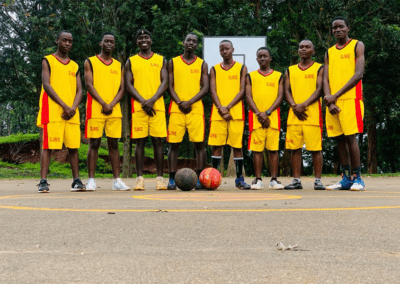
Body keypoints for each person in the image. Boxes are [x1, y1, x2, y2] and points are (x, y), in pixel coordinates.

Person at [36, 30, 85, 193]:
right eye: (64, 40)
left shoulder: (75, 65)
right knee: (48, 146)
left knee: (73, 147)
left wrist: (72, 108)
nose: (67, 43)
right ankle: (43, 181)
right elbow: (47, 85)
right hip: (53, 110)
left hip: (71, 111)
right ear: (57, 41)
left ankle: (76, 181)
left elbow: (80, 90)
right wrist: (65, 106)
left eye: (70, 41)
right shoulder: (48, 60)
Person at [84, 32, 130, 191]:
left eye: (112, 42)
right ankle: (91, 180)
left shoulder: (118, 65)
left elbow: (122, 88)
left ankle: (117, 180)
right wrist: (104, 103)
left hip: (114, 110)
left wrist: (111, 104)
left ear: (114, 45)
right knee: (94, 143)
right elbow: (89, 85)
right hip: (96, 109)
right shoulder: (90, 61)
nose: (109, 44)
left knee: (114, 144)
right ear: (100, 43)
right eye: (106, 41)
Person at [323, 17, 365, 191]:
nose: (338, 30)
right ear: (332, 31)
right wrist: (328, 99)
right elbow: (324, 78)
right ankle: (345, 178)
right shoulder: (329, 51)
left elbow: (359, 74)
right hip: (332, 101)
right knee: (339, 139)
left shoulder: (357, 45)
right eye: (335, 28)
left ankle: (358, 178)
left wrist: (336, 96)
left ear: (348, 28)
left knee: (350, 137)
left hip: (350, 99)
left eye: (341, 26)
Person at [125, 29, 168, 190]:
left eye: (146, 37)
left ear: (151, 40)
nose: (143, 39)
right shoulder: (131, 61)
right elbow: (128, 84)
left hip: (157, 106)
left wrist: (152, 100)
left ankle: (159, 178)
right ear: (137, 42)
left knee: (158, 141)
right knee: (140, 142)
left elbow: (165, 82)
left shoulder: (161, 60)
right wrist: (144, 101)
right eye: (140, 37)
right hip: (139, 106)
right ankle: (139, 178)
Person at [167, 33, 209, 190]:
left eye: (194, 41)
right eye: (189, 40)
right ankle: (171, 179)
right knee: (174, 144)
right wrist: (179, 102)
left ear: (197, 45)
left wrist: (190, 102)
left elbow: (205, 87)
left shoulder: (202, 64)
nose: (191, 43)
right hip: (177, 108)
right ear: (183, 42)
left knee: (199, 144)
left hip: (195, 108)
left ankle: (199, 178)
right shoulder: (173, 62)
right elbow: (169, 85)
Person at [284, 40, 325, 190]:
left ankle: (318, 180)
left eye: (307, 47)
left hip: (312, 114)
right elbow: (286, 91)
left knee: (315, 148)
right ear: (298, 50)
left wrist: (303, 105)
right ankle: (296, 180)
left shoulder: (319, 68)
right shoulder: (290, 70)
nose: (304, 49)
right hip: (294, 114)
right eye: (301, 47)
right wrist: (295, 106)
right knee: (295, 148)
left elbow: (319, 89)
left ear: (313, 50)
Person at [209, 40, 250, 189]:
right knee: (216, 146)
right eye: (222, 49)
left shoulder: (241, 68)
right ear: (219, 52)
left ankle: (239, 179)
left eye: (227, 48)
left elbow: (242, 90)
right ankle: (212, 179)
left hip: (236, 113)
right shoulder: (214, 69)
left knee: (237, 146)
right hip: (218, 113)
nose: (225, 51)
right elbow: (212, 90)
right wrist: (221, 108)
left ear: (232, 49)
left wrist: (228, 107)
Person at [246, 47, 284, 190]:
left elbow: (280, 96)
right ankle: (258, 179)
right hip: (256, 118)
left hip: (273, 118)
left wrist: (267, 112)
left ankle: (274, 179)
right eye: (260, 56)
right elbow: (248, 96)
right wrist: (259, 114)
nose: (262, 59)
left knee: (273, 150)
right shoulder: (250, 76)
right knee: (257, 150)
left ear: (270, 58)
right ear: (257, 59)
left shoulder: (279, 76)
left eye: (265, 56)